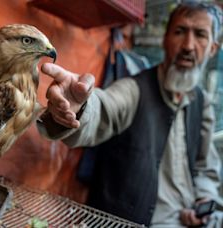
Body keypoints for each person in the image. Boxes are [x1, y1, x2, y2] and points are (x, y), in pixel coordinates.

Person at [37, 2, 223, 227]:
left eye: (200, 35)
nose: (188, 45)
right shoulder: (135, 90)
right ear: (165, 39)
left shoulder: (201, 102)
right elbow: (105, 107)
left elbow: (206, 166)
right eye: (180, 31)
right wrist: (78, 106)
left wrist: (204, 199)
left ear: (213, 48)